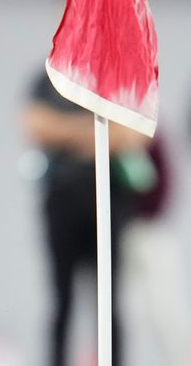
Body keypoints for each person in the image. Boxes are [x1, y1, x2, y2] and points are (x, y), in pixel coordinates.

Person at [23, 68, 166, 366]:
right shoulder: (49, 77)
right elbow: (36, 126)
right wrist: (96, 131)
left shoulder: (117, 74)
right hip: (61, 204)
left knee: (109, 301)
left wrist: (68, 133)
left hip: (110, 204)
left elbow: (134, 133)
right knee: (61, 301)